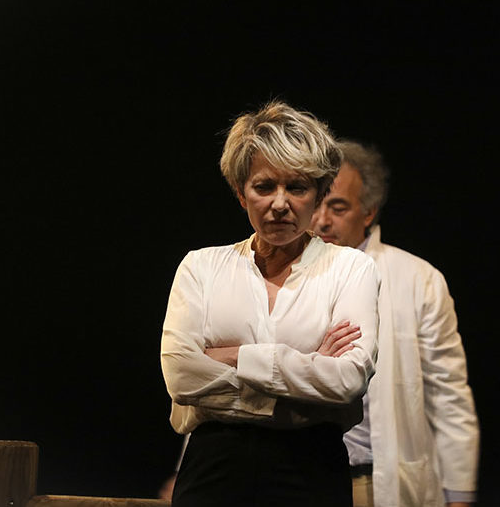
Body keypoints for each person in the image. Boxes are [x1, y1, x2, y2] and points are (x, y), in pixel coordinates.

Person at [160, 101, 380, 507]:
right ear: (241, 193)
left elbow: (347, 380)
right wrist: (305, 374)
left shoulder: (350, 268)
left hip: (310, 469)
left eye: (296, 187)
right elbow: (181, 376)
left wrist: (233, 356)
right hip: (214, 468)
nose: (280, 203)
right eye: (264, 187)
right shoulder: (201, 267)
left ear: (319, 193)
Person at [311, 140, 480, 507]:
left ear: (368, 212)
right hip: (305, 480)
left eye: (338, 207)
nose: (322, 220)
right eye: (317, 204)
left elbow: (448, 395)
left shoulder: (418, 279)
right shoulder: (286, 274)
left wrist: (459, 495)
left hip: (375, 483)